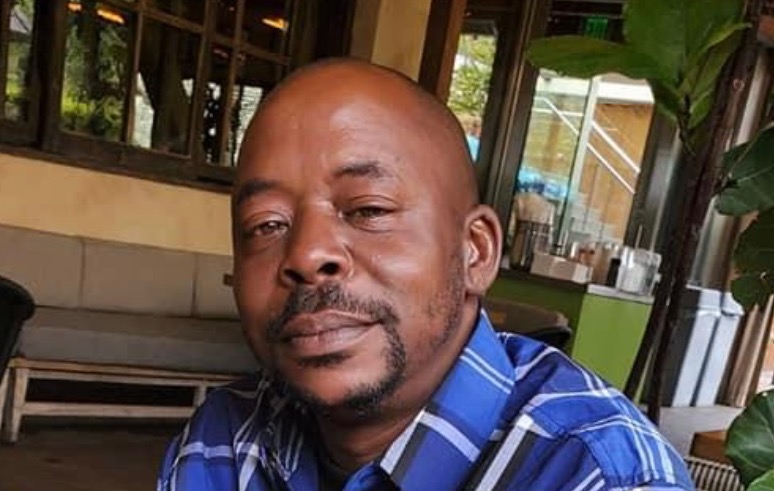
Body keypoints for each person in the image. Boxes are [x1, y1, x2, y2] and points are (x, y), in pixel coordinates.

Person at [157, 59, 693, 491]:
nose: (307, 253)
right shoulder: (222, 444)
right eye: (267, 224)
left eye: (368, 209)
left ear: (475, 252)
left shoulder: (599, 476)